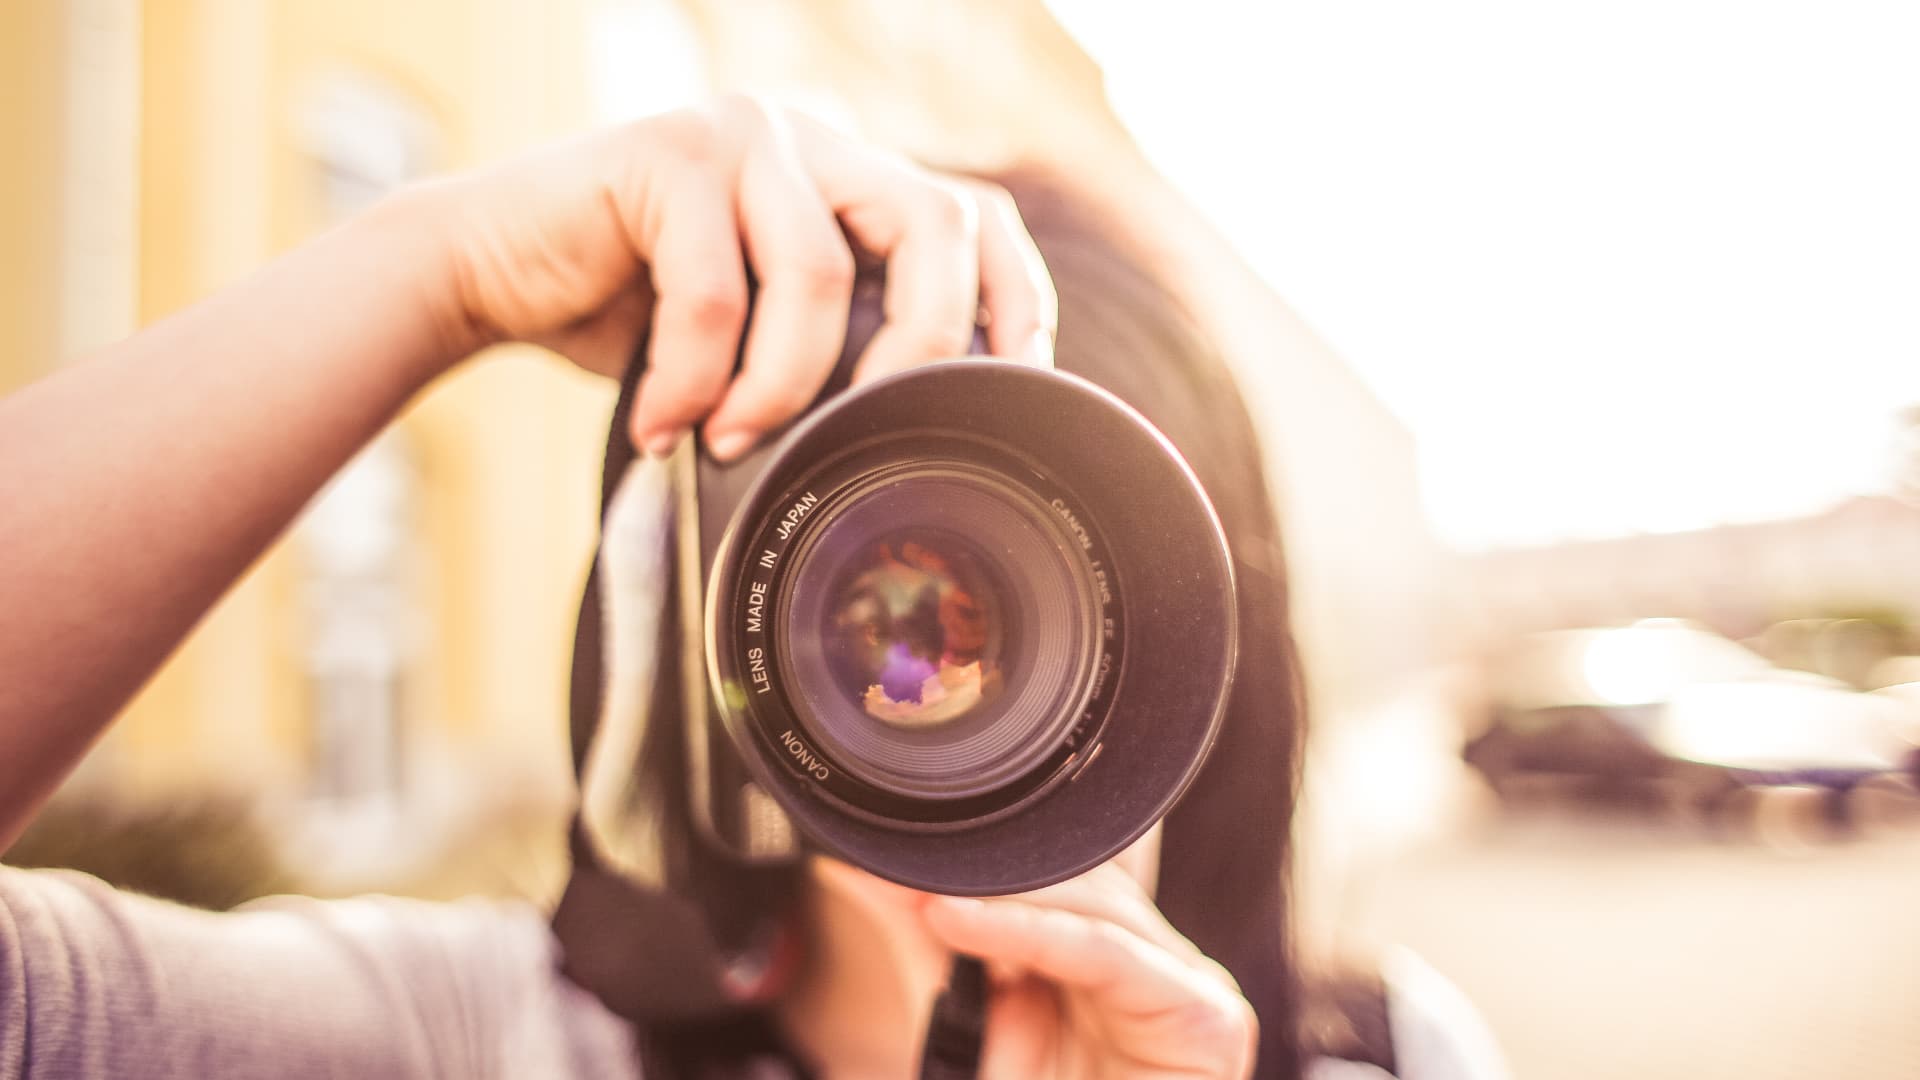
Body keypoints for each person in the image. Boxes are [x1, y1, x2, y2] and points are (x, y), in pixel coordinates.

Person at [0, 97, 1501, 1079]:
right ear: (709, 594)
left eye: (1054, 568)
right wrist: (439, 269)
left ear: (1199, 642)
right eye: (873, 577)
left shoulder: (1393, 1053)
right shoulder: (476, 1041)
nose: (917, 659)